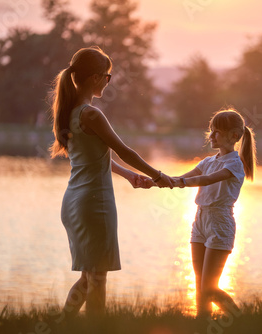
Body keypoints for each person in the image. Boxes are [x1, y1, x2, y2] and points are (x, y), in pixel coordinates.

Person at [49, 46, 174, 317]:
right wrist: (159, 176)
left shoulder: (69, 113)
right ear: (95, 78)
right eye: (107, 76)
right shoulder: (91, 114)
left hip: (74, 202)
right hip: (95, 203)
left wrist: (129, 175)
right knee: (98, 279)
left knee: (88, 278)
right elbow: (125, 151)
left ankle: (61, 325)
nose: (108, 81)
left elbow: (96, 157)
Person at [171, 109, 257, 318]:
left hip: (220, 224)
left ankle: (241, 321)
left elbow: (207, 180)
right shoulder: (207, 162)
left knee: (209, 288)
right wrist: (157, 180)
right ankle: (202, 324)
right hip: (200, 221)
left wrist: (180, 182)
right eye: (211, 131)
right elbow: (181, 178)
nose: (211, 136)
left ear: (234, 136)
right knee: (201, 289)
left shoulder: (235, 164)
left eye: (216, 132)